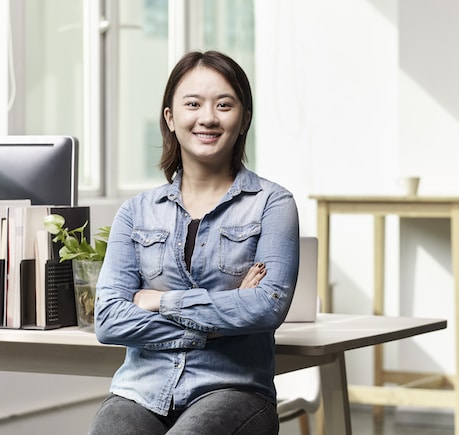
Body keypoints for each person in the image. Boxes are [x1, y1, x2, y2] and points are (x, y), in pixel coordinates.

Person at [88, 50, 300, 434]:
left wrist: (160, 301)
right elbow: (108, 320)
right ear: (170, 118)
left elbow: (267, 306)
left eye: (224, 104)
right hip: (141, 391)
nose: (208, 117)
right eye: (192, 104)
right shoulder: (137, 212)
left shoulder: (273, 203)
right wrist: (218, 324)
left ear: (244, 119)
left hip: (233, 390)